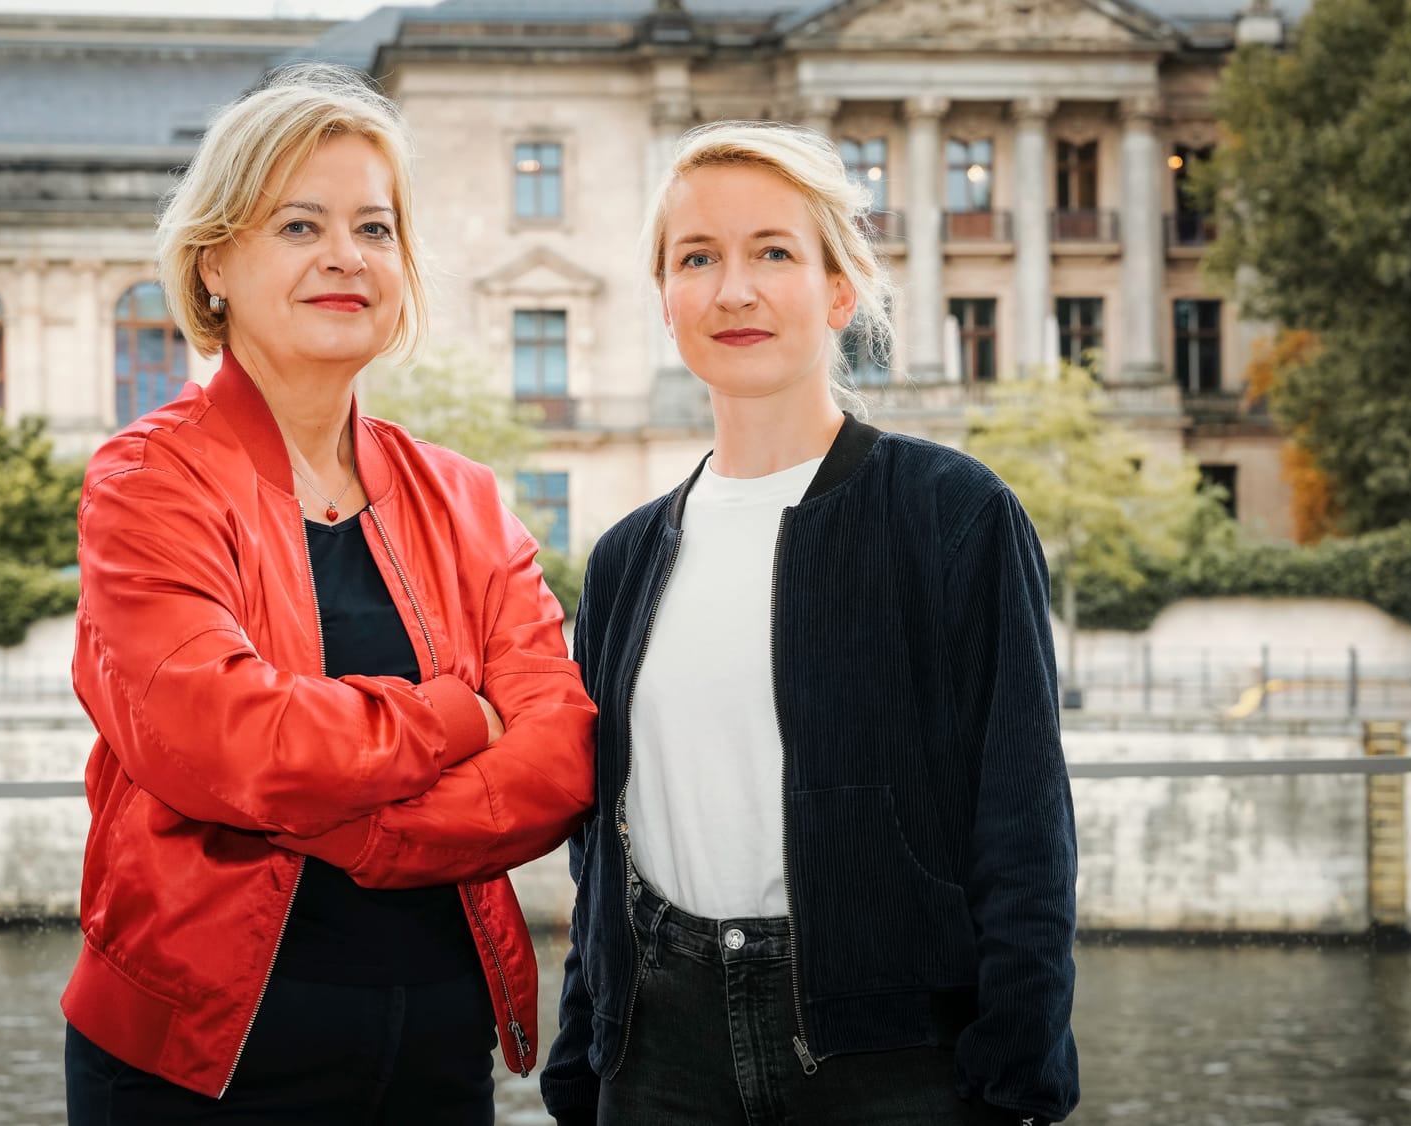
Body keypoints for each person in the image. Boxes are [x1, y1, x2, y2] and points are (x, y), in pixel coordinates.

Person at [63, 64, 596, 1124]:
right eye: (300, 226)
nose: (346, 258)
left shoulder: (467, 498)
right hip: (198, 1061)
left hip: (438, 1045)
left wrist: (355, 829)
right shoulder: (145, 481)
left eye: (375, 228)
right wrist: (456, 714)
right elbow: (226, 741)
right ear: (214, 261)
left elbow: (558, 754)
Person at [541, 121, 1079, 1126]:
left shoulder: (951, 512)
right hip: (659, 1056)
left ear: (837, 290)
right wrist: (586, 1055)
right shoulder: (620, 561)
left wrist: (1018, 1075)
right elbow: (600, 851)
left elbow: (1020, 824)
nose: (731, 289)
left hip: (886, 1055)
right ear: (664, 299)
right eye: (695, 257)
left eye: (772, 252)